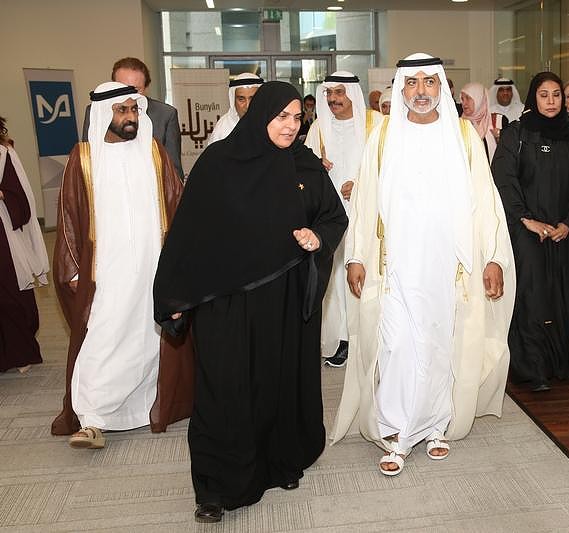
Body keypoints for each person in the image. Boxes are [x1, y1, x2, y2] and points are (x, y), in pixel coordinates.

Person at [153, 81, 347, 523]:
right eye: (281, 117)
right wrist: (175, 293)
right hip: (227, 302)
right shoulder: (218, 163)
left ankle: (282, 462)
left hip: (284, 300)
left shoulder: (304, 163)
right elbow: (188, 233)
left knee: (278, 383)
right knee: (224, 388)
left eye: (297, 118)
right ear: (260, 115)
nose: (290, 126)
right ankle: (215, 487)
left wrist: (317, 237)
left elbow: (333, 216)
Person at [330, 53, 515, 476]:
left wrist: (493, 257)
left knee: (438, 344)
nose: (420, 91)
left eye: (429, 82)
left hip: (447, 266)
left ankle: (434, 425)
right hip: (393, 265)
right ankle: (396, 431)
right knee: (396, 345)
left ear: (441, 86)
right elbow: (364, 202)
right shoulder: (382, 136)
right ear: (400, 88)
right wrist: (356, 255)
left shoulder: (464, 136)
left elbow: (486, 202)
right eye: (411, 83)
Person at [52, 82, 193, 448]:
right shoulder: (84, 158)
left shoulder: (154, 152)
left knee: (148, 341)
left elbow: (177, 204)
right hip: (106, 274)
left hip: (152, 269)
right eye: (122, 111)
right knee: (103, 339)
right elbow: (68, 217)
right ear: (105, 115)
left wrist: (181, 264)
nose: (130, 117)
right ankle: (92, 418)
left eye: (134, 110)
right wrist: (74, 269)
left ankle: (143, 409)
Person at [491, 72, 569, 392]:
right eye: (544, 95)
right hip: (526, 232)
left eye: (556, 95)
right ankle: (532, 370)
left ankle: (558, 365)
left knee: (561, 297)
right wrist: (525, 219)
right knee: (531, 299)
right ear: (533, 97)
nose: (551, 101)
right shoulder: (517, 134)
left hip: (561, 233)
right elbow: (504, 180)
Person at [305, 71, 382, 367]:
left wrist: (361, 184)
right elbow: (302, 170)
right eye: (329, 93)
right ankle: (342, 340)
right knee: (336, 280)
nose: (333, 99)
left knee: (367, 273)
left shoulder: (376, 124)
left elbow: (390, 168)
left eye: (339, 92)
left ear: (352, 93)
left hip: (368, 214)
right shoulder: (318, 129)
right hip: (331, 217)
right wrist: (315, 166)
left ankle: (370, 338)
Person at [0, 116, 49, 373]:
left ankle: (20, 352)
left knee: (10, 296)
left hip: (3, 235)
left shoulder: (4, 153)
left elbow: (21, 200)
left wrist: (1, 194)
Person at [82, 57, 183, 178]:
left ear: (146, 88)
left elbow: (174, 171)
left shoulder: (165, 114)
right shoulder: (96, 112)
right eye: (122, 88)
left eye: (136, 90)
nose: (128, 95)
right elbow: (87, 160)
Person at [207, 72, 264, 145]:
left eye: (253, 99)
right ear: (233, 100)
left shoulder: (271, 123)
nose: (247, 106)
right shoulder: (223, 127)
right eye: (241, 99)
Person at [460, 81, 507, 162]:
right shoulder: (459, 124)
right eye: (462, 99)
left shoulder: (499, 121)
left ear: (479, 98)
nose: (464, 103)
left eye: (468, 98)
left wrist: (501, 139)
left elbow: (509, 152)